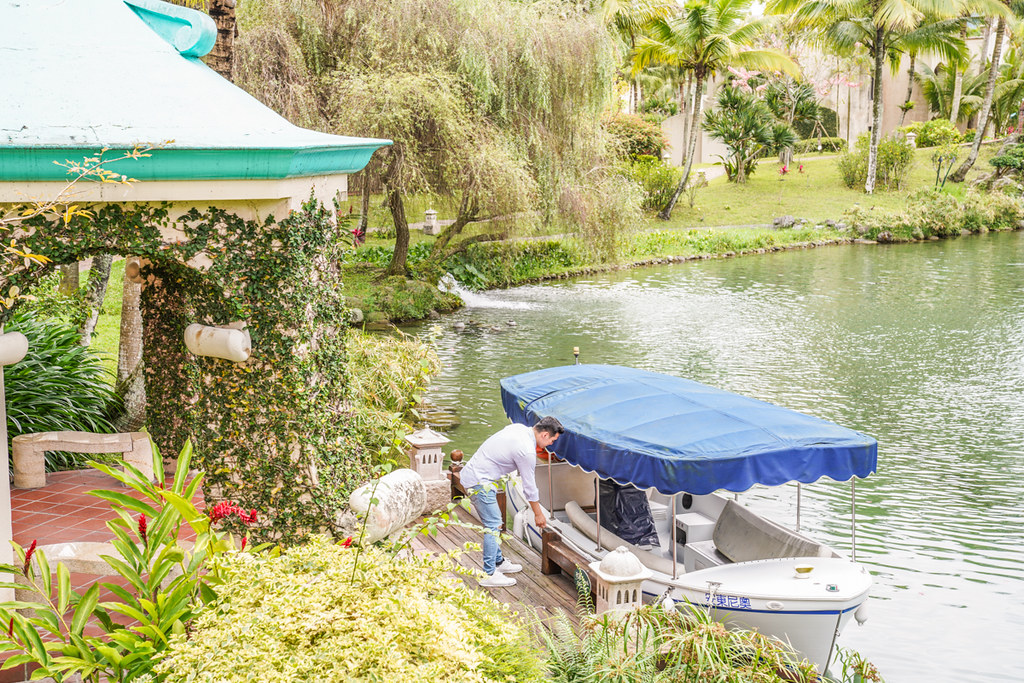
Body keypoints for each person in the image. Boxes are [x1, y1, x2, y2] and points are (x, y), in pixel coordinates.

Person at [459, 416, 564, 587]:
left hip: (476, 475)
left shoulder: (519, 428)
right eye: (553, 439)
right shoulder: (526, 451)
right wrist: (538, 515)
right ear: (545, 435)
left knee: (495, 522)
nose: (551, 443)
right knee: (493, 525)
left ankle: (498, 562)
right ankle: (489, 573)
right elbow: (529, 487)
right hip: (479, 481)